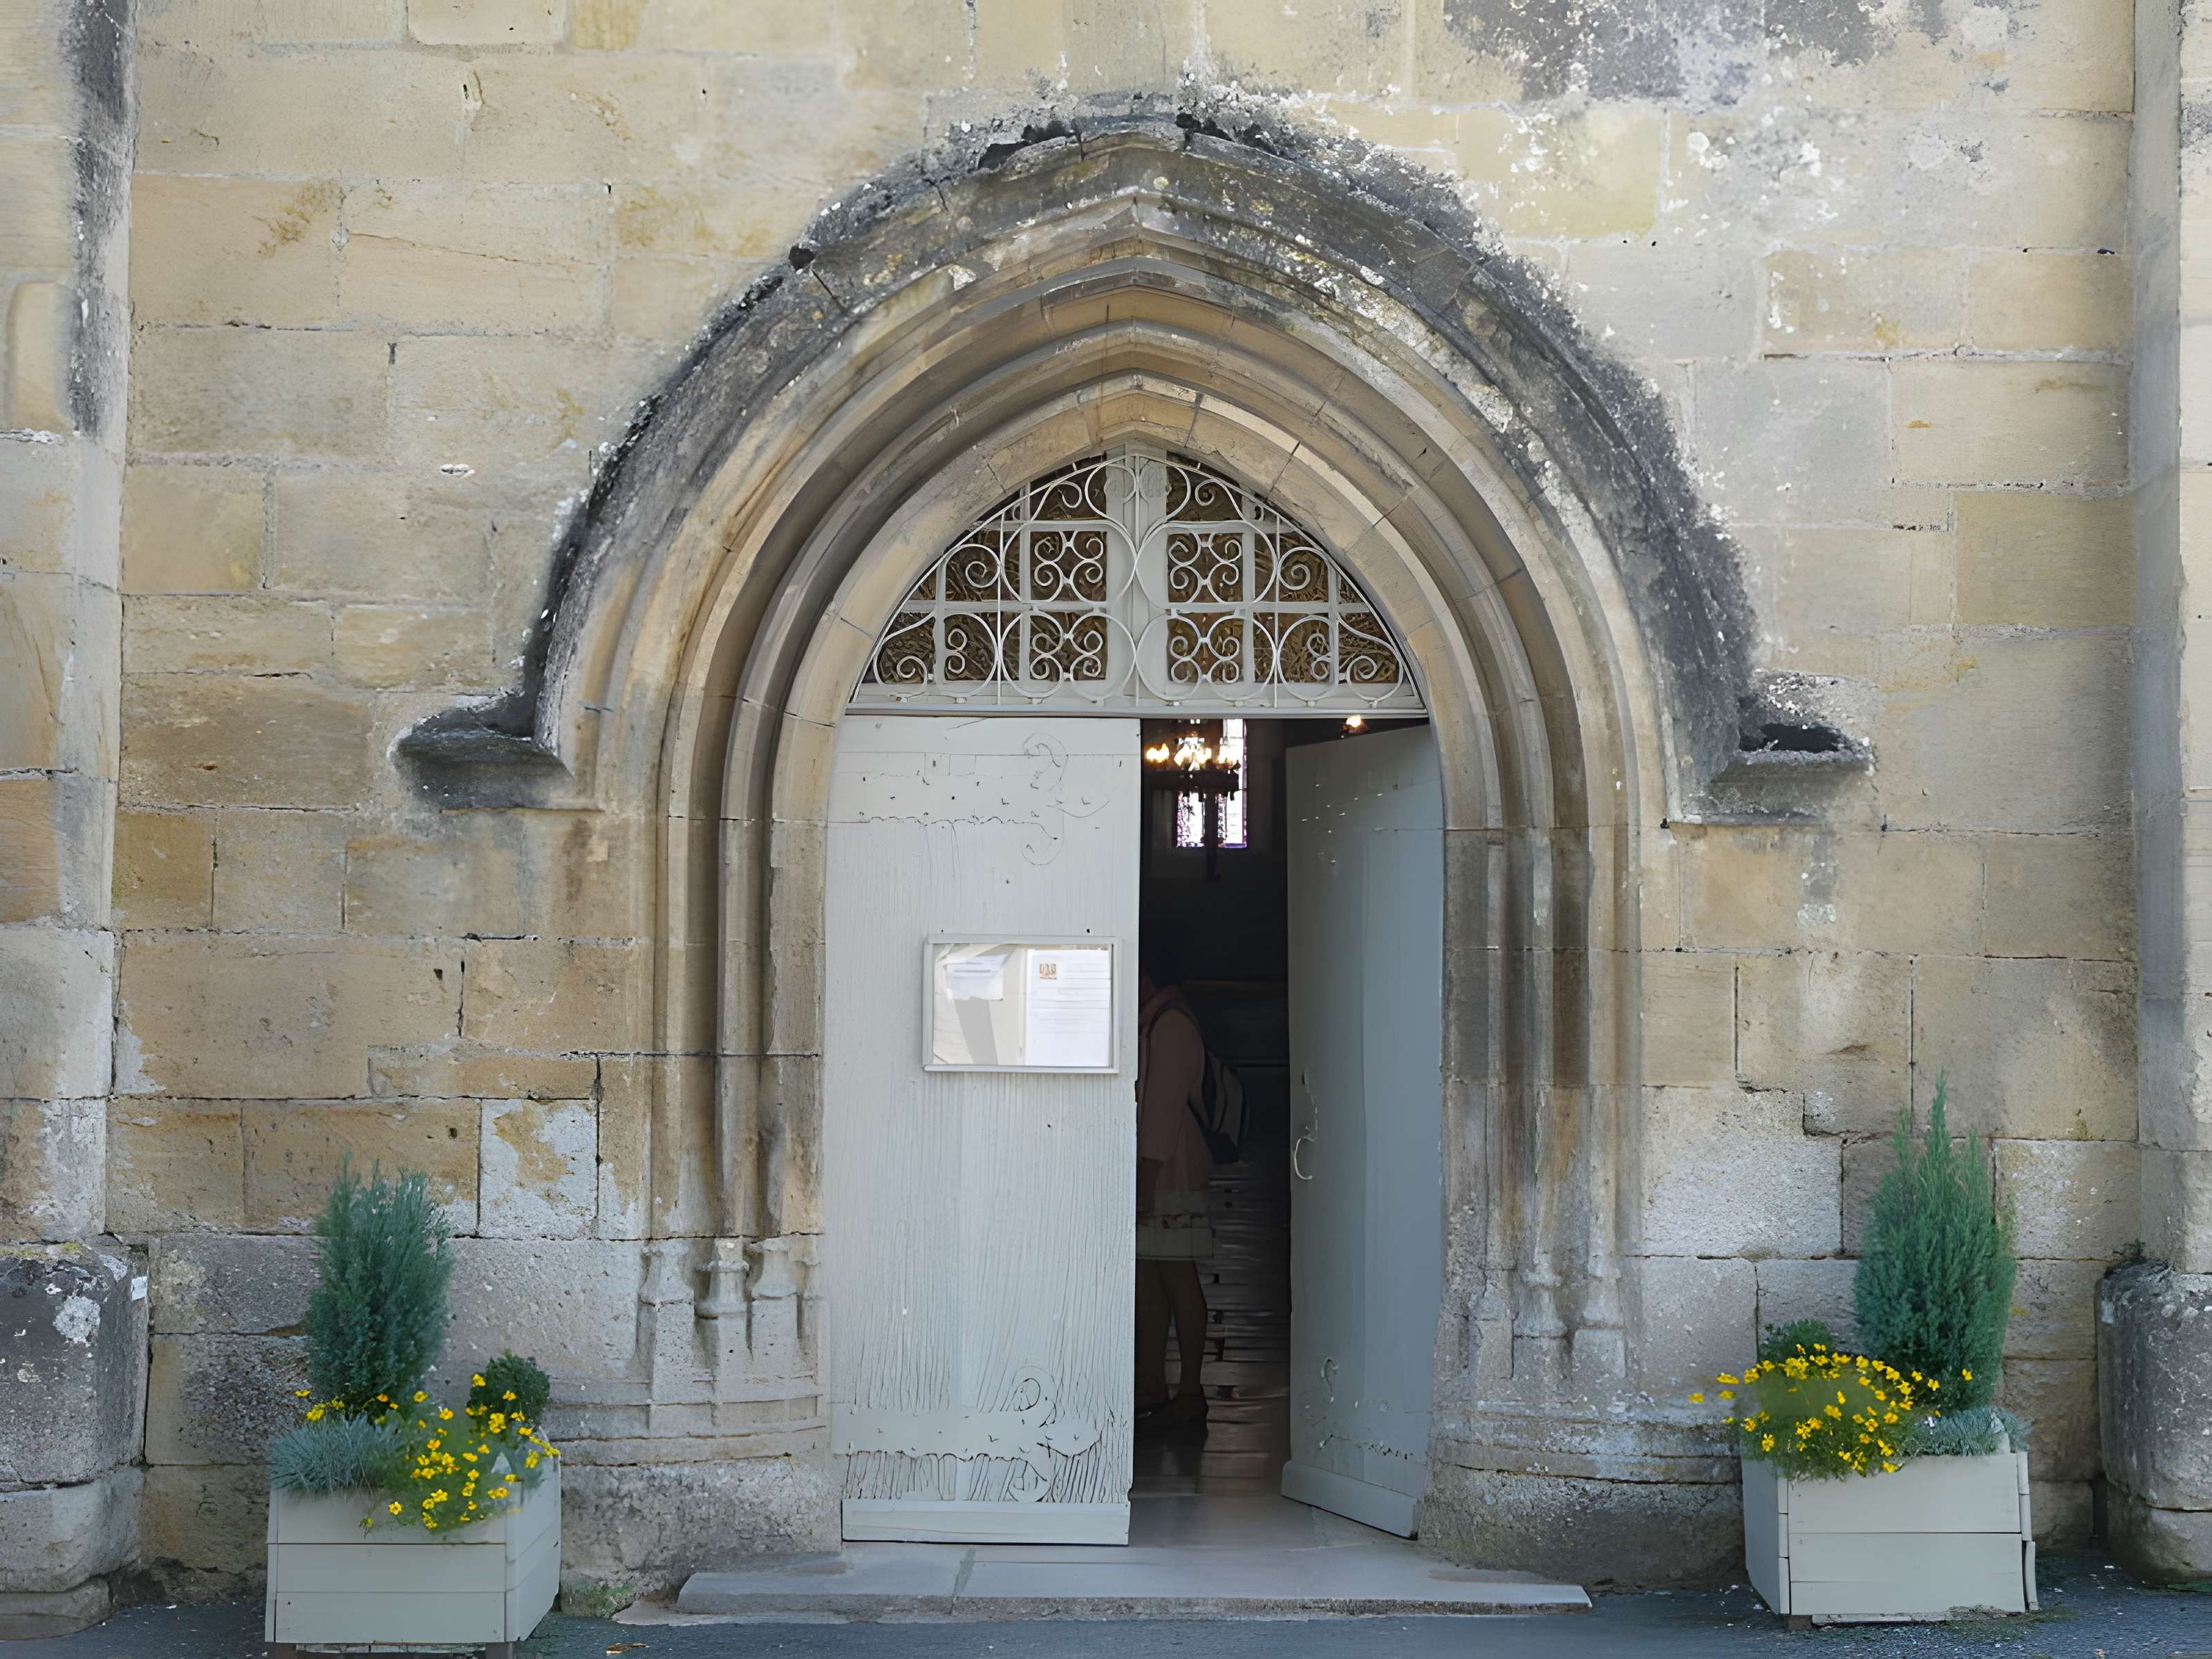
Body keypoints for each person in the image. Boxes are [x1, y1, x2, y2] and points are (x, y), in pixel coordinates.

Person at [1134, 941, 1213, 1425]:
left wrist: (1144, 1180)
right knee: (1152, 1276)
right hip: (1163, 1164)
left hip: (1169, 1169)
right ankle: (1152, 1383)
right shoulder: (1162, 1019)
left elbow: (1161, 1111)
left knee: (1177, 1273)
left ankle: (1188, 1388)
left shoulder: (1171, 1025)